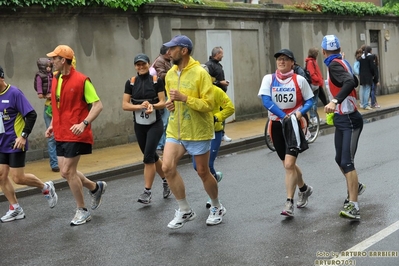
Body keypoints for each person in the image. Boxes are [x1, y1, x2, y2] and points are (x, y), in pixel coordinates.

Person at [161, 35, 226, 229]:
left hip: (198, 131)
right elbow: (169, 99)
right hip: (175, 129)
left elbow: (209, 104)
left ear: (184, 50)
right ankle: (184, 210)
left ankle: (216, 206)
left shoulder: (200, 73)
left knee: (203, 171)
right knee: (166, 168)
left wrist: (184, 98)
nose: (168, 52)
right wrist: (169, 104)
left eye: (172, 49)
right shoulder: (170, 74)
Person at [45, 45, 106, 226]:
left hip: (76, 132)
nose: (52, 61)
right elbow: (57, 106)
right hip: (60, 131)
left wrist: (84, 123)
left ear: (63, 60)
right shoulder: (56, 79)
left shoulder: (82, 80)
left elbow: (98, 105)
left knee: (67, 171)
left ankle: (82, 210)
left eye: (54, 58)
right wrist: (51, 125)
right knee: (66, 173)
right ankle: (95, 188)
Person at [258, 49, 314, 217]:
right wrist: (284, 117)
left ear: (292, 63)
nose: (281, 61)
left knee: (289, 165)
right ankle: (304, 189)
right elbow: (266, 100)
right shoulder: (269, 79)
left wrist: (300, 112)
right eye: (279, 59)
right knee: (287, 164)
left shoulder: (300, 80)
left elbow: (310, 100)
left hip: (295, 125)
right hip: (276, 125)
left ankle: (289, 202)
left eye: (285, 59)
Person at [0, 65, 58, 223]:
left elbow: (31, 114)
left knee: (18, 178)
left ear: (1, 77)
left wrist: (23, 136)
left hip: (15, 142)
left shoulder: (14, 93)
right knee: (1, 175)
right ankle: (15, 208)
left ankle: (45, 187)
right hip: (1, 143)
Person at [322, 35, 366, 220]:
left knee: (347, 162)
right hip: (342, 118)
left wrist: (334, 100)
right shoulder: (342, 62)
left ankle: (354, 207)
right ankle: (356, 185)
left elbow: (349, 82)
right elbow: (355, 81)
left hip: (349, 119)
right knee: (339, 159)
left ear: (324, 52)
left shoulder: (333, 65)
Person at [122, 53, 170, 203]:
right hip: (139, 125)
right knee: (152, 156)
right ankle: (166, 180)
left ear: (149, 64)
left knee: (148, 157)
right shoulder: (130, 82)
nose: (141, 67)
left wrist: (152, 106)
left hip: (155, 124)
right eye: (138, 64)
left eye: (143, 64)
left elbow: (163, 102)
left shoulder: (156, 81)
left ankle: (147, 192)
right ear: (135, 66)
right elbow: (125, 105)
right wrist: (139, 107)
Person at [194, 64, 235, 208]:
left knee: (208, 164)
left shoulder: (217, 91)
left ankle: (212, 197)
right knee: (196, 166)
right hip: (198, 133)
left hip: (215, 132)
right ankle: (215, 177)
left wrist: (216, 117)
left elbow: (230, 108)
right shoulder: (194, 93)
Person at [35, 58, 59, 172]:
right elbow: (40, 94)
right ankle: (54, 164)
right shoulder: (42, 76)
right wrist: (47, 95)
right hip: (50, 108)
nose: (50, 68)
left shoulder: (55, 75)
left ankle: (61, 161)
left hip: (59, 107)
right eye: (48, 66)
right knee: (52, 137)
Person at [205, 46, 232, 142]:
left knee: (222, 113)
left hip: (221, 94)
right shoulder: (209, 65)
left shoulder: (218, 65)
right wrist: (220, 82)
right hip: (214, 95)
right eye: (221, 54)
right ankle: (216, 134)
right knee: (216, 115)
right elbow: (208, 80)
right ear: (217, 54)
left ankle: (221, 134)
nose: (223, 56)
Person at [152, 45, 172, 153]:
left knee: (166, 120)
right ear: (166, 52)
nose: (172, 54)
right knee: (164, 121)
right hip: (162, 94)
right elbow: (161, 75)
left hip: (165, 93)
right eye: (170, 51)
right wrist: (174, 72)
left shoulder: (165, 60)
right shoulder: (160, 61)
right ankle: (160, 145)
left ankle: (163, 144)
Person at [305, 47, 328, 123]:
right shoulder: (311, 62)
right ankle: (313, 117)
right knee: (313, 102)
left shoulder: (311, 61)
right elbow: (312, 74)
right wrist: (319, 79)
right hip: (314, 84)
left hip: (315, 84)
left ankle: (313, 117)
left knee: (314, 101)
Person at [358, 46, 376, 110]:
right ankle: (366, 104)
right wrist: (373, 74)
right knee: (367, 89)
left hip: (362, 75)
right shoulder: (370, 57)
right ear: (370, 50)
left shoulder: (361, 58)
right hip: (368, 75)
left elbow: (360, 67)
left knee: (363, 89)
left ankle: (363, 103)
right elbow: (372, 67)